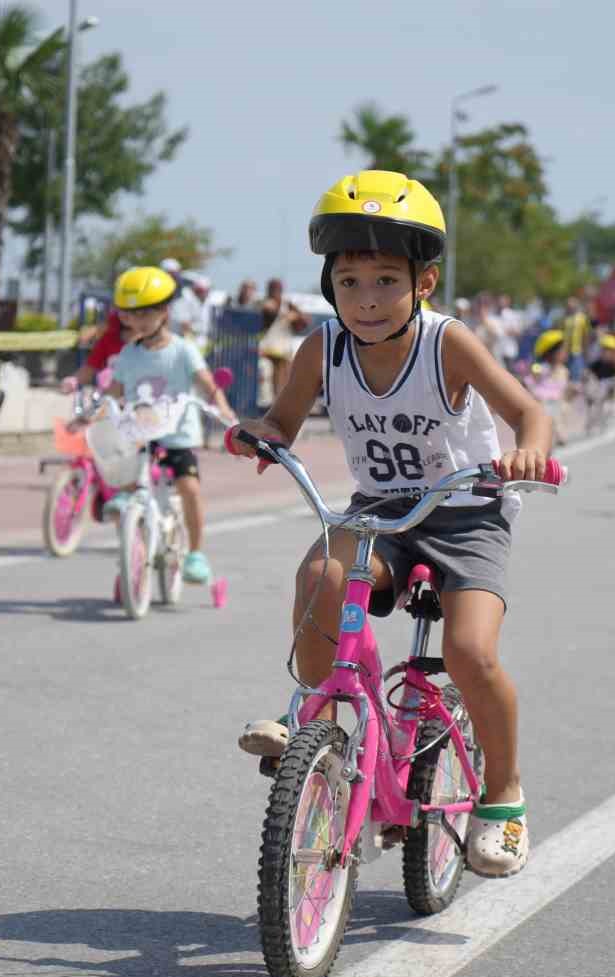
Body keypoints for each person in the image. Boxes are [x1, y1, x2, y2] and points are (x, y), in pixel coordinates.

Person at [227, 170, 554, 878]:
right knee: (320, 570)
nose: (366, 300)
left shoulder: (448, 344)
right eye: (349, 283)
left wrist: (531, 451)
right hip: (382, 513)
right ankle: (319, 733)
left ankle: (503, 793)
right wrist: (261, 433)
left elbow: (530, 411)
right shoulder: (324, 349)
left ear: (424, 283)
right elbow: (283, 419)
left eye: (384, 280)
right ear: (329, 287)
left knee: (470, 654)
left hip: (468, 513)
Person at [103, 266, 236, 581]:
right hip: (140, 435)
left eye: (143, 314)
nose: (136, 322)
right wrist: (92, 413)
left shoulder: (183, 350)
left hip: (178, 435)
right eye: (129, 316)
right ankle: (126, 508)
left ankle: (195, 554)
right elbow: (112, 393)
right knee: (123, 461)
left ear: (164, 311)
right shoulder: (127, 355)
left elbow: (206, 384)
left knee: (189, 488)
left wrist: (225, 410)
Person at [257, 277, 309, 399]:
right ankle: (267, 402)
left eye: (277, 289)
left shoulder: (288, 304)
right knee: (265, 375)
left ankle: (279, 403)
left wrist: (295, 316)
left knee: (282, 379)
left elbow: (305, 320)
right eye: (272, 289)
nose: (274, 291)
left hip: (283, 349)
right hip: (266, 348)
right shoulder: (263, 304)